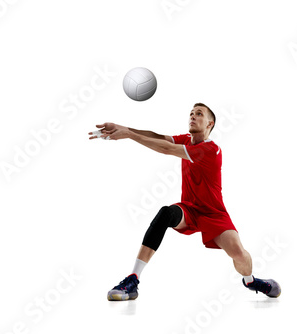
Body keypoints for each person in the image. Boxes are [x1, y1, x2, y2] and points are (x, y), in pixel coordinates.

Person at [88, 103, 280, 301]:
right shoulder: (187, 140)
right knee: (166, 213)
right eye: (191, 113)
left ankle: (250, 281)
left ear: (209, 124)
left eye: (199, 114)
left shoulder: (210, 149)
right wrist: (125, 128)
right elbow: (160, 138)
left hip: (214, 213)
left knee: (239, 254)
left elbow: (166, 149)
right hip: (189, 209)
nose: (193, 116)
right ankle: (133, 280)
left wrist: (129, 135)